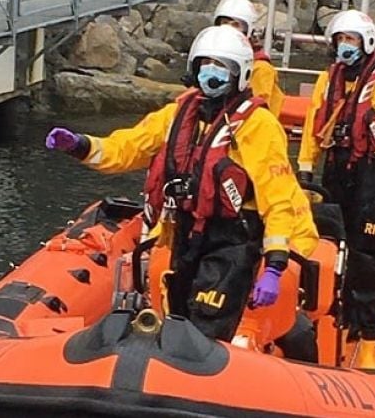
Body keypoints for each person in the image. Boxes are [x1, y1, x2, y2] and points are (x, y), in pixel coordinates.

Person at [46, 25, 319, 346]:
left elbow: (278, 200)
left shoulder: (258, 126)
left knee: (205, 328)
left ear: (240, 74)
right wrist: (81, 145)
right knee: (175, 317)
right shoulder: (179, 113)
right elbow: (128, 147)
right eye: (205, 64)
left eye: (222, 67)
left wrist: (274, 265)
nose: (211, 73)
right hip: (184, 235)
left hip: (231, 242)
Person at [296, 10, 375, 369]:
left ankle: (367, 339)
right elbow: (313, 123)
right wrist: (304, 171)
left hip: (374, 177)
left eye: (350, 40)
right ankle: (330, 324)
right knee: (327, 250)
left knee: (366, 260)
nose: (344, 47)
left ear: (366, 42)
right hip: (336, 174)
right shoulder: (328, 80)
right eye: (339, 40)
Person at [213, 0, 286, 118]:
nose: (229, 29)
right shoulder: (211, 62)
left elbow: (258, 110)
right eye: (224, 23)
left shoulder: (261, 69)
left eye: (235, 24)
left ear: (249, 30)